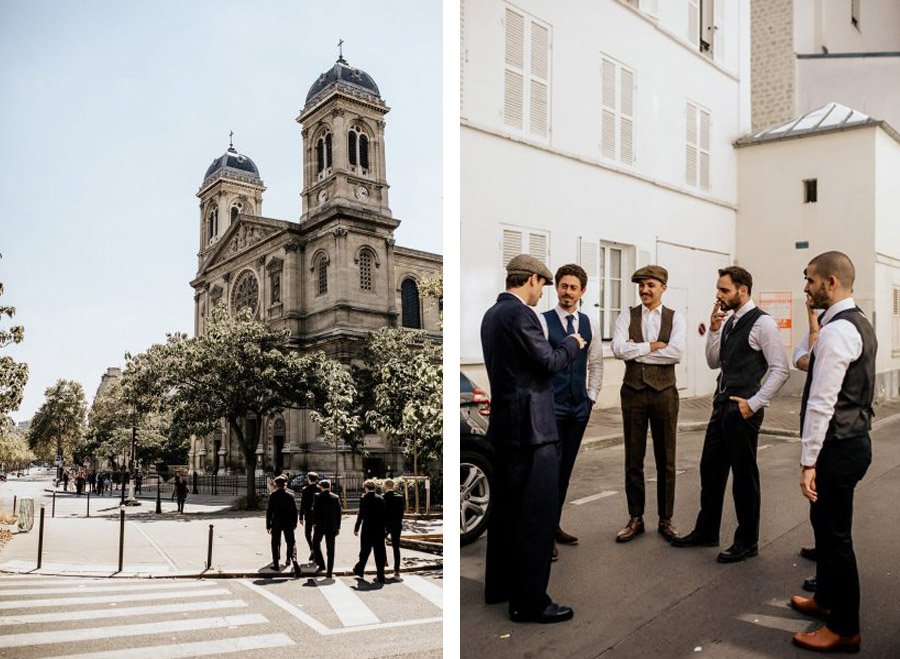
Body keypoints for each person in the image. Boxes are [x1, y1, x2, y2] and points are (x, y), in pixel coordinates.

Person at [480, 253, 586, 625]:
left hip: (506, 428)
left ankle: (501, 587)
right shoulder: (520, 314)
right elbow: (548, 362)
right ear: (532, 280)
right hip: (532, 430)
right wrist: (573, 343)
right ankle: (530, 602)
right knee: (535, 517)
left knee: (506, 514)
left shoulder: (492, 314)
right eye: (543, 284)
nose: (544, 292)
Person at [672, 266, 789, 562]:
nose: (718, 295)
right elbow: (714, 362)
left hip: (743, 410)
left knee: (744, 477)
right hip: (720, 405)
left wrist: (755, 402)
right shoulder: (728, 322)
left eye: (724, 290)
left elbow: (780, 369)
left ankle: (747, 541)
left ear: (743, 290)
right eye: (718, 289)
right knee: (710, 471)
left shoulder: (764, 324)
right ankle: (706, 531)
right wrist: (713, 330)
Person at [788, 252, 874, 653]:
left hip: (838, 447)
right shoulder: (851, 322)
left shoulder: (840, 331)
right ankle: (825, 599)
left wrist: (808, 460)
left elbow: (823, 401)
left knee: (836, 538)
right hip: (849, 441)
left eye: (810, 280)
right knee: (824, 527)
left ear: (831, 282)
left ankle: (844, 628)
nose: (806, 288)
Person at [611, 265, 685, 543]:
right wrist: (652, 346)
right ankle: (636, 518)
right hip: (632, 392)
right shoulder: (626, 315)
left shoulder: (675, 317)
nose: (644, 290)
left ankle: (666, 519)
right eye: (641, 285)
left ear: (663, 287)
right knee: (633, 458)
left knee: (666, 458)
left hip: (665, 392)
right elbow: (618, 349)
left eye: (650, 284)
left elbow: (676, 353)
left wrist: (636, 351)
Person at [538, 264, 603, 557]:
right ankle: (543, 534)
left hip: (579, 407)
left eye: (573, 287)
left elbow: (596, 363)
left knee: (564, 472)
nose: (567, 292)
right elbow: (540, 364)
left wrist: (591, 398)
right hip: (552, 407)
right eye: (563, 286)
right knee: (548, 473)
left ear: (582, 292)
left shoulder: (589, 323)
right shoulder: (543, 321)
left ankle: (553, 526)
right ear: (557, 288)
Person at [353, 479, 387, 582]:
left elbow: (361, 514)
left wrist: (356, 527)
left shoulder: (363, 498)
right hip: (379, 529)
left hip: (367, 528)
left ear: (366, 488)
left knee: (364, 551)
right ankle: (380, 576)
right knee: (379, 553)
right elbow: (384, 515)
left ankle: (360, 570)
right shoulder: (381, 498)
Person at [266, 474, 299, 572]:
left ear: (276, 485)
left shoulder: (273, 496)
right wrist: (295, 523)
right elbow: (295, 511)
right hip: (288, 522)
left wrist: (268, 525)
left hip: (277, 522)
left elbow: (269, 511)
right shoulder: (290, 495)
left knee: (275, 543)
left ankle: (276, 563)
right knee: (291, 542)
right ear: (284, 484)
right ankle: (292, 559)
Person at [312, 479, 342, 579]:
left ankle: (321, 564)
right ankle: (329, 571)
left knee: (315, 544)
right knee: (331, 549)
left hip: (320, 525)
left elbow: (315, 511)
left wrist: (314, 523)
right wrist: (338, 527)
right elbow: (339, 513)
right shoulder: (335, 497)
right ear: (329, 486)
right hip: (331, 526)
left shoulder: (317, 496)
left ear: (321, 486)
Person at [383, 479, 406, 578]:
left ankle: (384, 561)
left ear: (385, 486)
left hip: (385, 525)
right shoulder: (400, 498)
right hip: (397, 525)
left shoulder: (382, 498)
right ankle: (397, 570)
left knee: (380, 543)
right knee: (396, 547)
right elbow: (402, 512)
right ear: (394, 486)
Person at [299, 472, 320, 561]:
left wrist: (300, 516)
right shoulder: (319, 489)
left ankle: (312, 549)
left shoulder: (305, 489)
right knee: (317, 534)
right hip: (318, 515)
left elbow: (302, 504)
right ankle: (315, 550)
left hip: (308, 514)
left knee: (308, 533)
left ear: (309, 479)